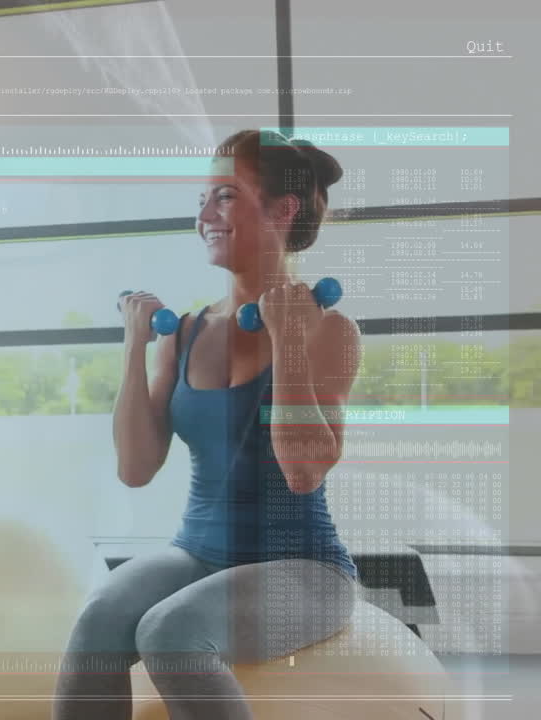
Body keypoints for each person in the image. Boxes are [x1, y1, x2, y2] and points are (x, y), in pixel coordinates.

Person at [54, 129, 362, 720]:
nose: (205, 214)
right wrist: (135, 346)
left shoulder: (330, 332)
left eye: (224, 195)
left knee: (171, 632)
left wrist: (289, 341)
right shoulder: (188, 332)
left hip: (303, 568)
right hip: (197, 552)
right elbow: (135, 469)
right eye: (203, 198)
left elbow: (302, 473)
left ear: (283, 209)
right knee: (100, 618)